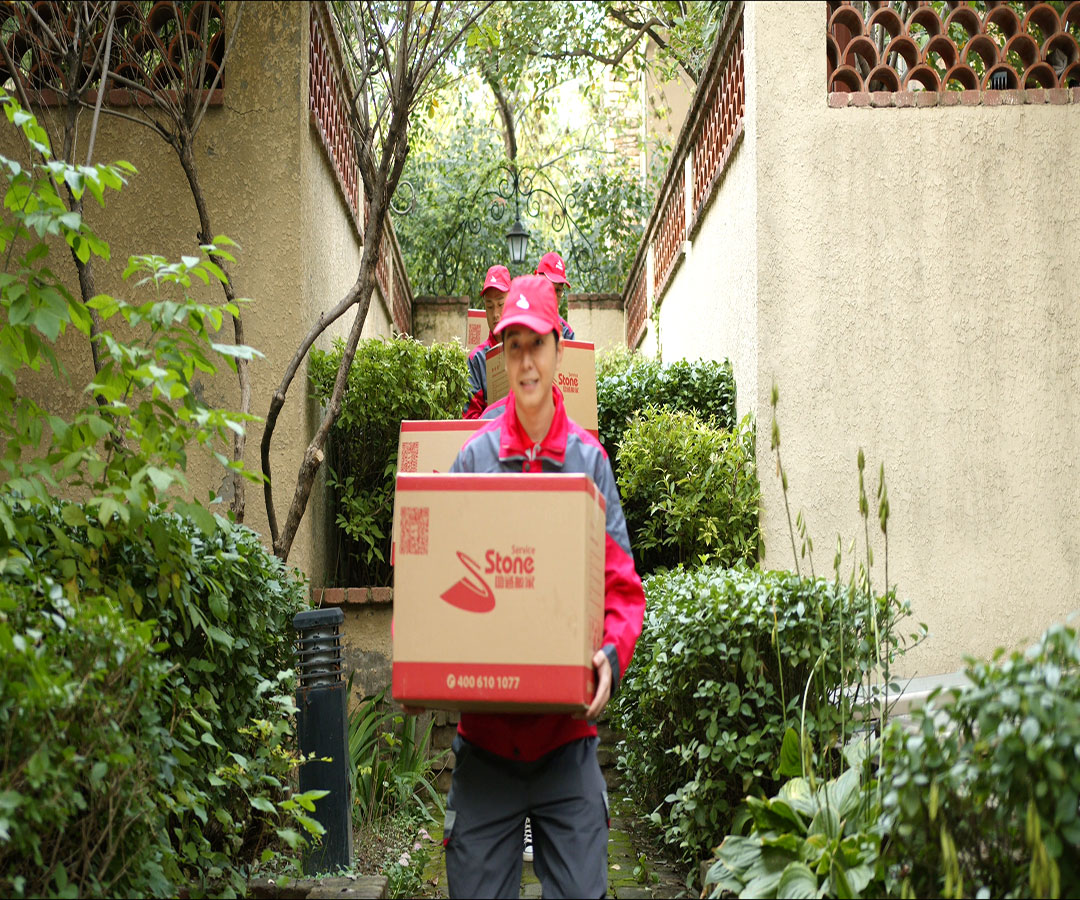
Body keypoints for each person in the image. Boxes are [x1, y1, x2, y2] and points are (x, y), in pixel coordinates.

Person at [439, 274, 646, 899]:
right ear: (502, 357)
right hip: (486, 745)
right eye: (514, 347)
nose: (526, 361)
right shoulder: (473, 462)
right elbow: (438, 587)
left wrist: (610, 655)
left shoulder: (588, 462)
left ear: (559, 349)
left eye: (537, 344)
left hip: (566, 743)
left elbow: (622, 592)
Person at [463, 264, 511, 419]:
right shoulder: (476, 359)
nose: (495, 314)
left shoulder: (527, 349)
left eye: (500, 305)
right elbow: (470, 417)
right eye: (489, 306)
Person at [535, 250, 575, 341]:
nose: (553, 296)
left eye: (558, 290)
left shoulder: (567, 333)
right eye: (549, 288)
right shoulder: (519, 320)